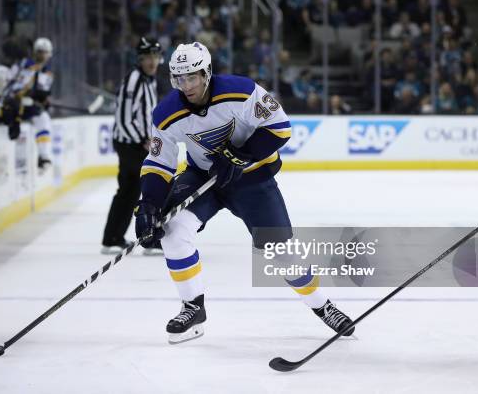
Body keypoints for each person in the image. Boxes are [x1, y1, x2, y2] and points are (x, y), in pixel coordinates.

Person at [134, 42, 354, 344]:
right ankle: (193, 309)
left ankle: (322, 305)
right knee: (172, 231)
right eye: (179, 79)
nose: (187, 86)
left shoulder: (241, 92)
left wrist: (238, 156)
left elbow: (279, 128)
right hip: (204, 178)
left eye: (192, 78)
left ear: (207, 73)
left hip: (252, 180)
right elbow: (159, 162)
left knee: (282, 254)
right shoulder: (166, 113)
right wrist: (148, 205)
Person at [101, 37, 163, 255]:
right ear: (139, 59)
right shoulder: (135, 80)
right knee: (151, 188)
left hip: (134, 144)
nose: (152, 61)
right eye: (147, 57)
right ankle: (149, 239)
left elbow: (145, 114)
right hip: (131, 145)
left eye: (155, 56)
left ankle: (112, 237)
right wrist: (142, 140)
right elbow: (125, 118)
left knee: (128, 191)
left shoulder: (148, 80)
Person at [8, 37, 54, 171]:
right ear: (35, 52)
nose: (43, 55)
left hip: (29, 106)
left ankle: (43, 156)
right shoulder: (22, 64)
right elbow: (9, 83)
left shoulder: (47, 72)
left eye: (45, 52)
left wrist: (44, 101)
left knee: (44, 120)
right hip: (14, 104)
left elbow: (42, 93)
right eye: (40, 52)